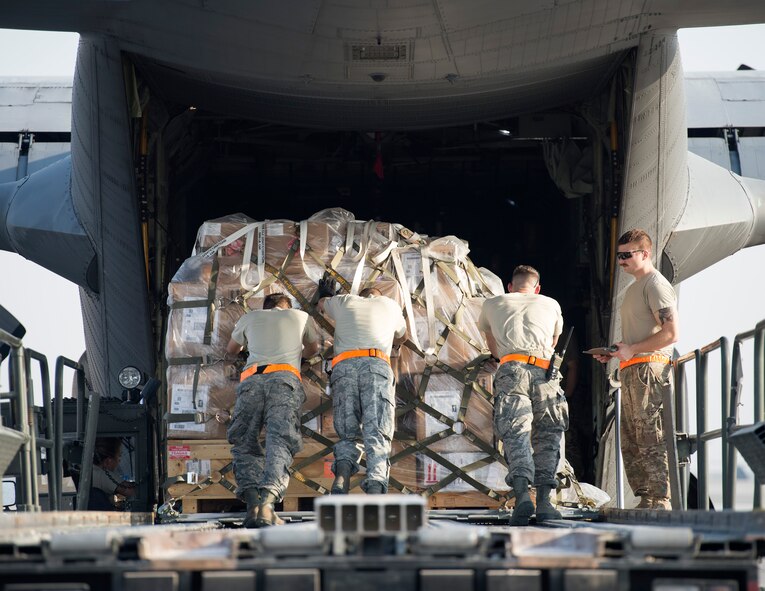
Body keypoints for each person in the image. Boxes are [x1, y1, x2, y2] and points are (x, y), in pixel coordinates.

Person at [594, 229, 678, 510]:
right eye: (618, 256)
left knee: (651, 434)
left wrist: (633, 350)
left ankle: (661, 499)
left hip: (649, 370)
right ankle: (647, 497)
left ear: (645, 253)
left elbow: (671, 334)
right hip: (633, 369)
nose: (620, 261)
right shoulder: (635, 288)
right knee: (631, 438)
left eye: (626, 255)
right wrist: (619, 352)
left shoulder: (655, 285)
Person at [479, 265, 567, 525]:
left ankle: (522, 498)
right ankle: (545, 503)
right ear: (537, 288)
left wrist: (504, 357)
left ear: (510, 286)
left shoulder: (492, 303)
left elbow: (492, 345)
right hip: (545, 371)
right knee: (548, 434)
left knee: (516, 433)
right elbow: (553, 342)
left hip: (511, 368)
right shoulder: (551, 304)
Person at [226, 293, 320, 527]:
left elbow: (231, 350)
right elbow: (313, 349)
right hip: (284, 382)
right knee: (279, 441)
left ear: (266, 307)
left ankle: (252, 507)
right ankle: (268, 506)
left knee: (244, 441)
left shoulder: (250, 317)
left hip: (252, 382)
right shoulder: (301, 316)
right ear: (287, 307)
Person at [318, 281, 407, 495]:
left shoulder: (345, 300)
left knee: (347, 433)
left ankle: (341, 477)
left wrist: (326, 295)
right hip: (376, 367)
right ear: (377, 295)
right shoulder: (390, 305)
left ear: (362, 294)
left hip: (344, 368)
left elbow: (320, 305)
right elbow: (403, 336)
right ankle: (375, 487)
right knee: (376, 430)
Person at [89, 437, 136, 510]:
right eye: (118, 456)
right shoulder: (102, 475)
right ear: (108, 461)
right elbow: (130, 491)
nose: (119, 461)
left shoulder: (92, 470)